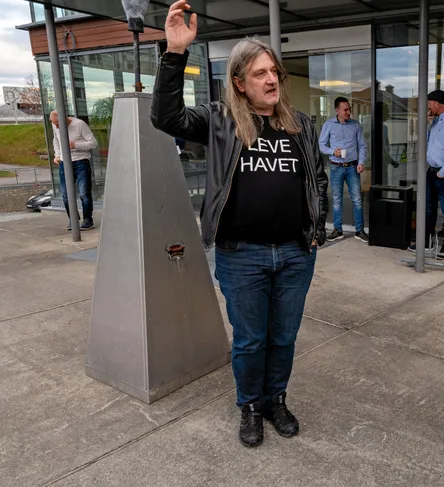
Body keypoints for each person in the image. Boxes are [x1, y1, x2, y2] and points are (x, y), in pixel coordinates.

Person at [152, 1, 328, 449]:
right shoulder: (219, 121)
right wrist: (174, 53)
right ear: (239, 83)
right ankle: (250, 405)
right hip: (241, 254)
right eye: (259, 74)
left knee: (283, 338)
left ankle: (275, 399)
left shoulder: (301, 125)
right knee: (251, 340)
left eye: (274, 72)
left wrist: (316, 227)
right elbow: (165, 117)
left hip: (293, 253)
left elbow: (317, 178)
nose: (271, 80)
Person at [409, 89, 444, 257]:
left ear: (437, 104)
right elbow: (426, 142)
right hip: (431, 172)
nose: (428, 106)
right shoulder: (436, 121)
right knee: (428, 209)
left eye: (429, 103)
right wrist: (426, 124)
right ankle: (426, 242)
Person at [319, 96, 368, 242]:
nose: (348, 112)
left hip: (353, 167)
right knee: (336, 200)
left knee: (357, 200)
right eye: (345, 110)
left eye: (349, 109)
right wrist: (333, 152)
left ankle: (359, 231)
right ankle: (337, 230)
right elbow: (321, 145)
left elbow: (362, 145)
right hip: (336, 167)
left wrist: (361, 162)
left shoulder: (355, 125)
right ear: (337, 110)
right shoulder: (329, 125)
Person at [50, 110, 97, 231]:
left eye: (58, 124)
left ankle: (88, 220)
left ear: (65, 119)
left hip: (81, 161)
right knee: (65, 195)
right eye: (54, 124)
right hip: (64, 163)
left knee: (84, 193)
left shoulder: (79, 124)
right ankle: (73, 219)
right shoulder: (55, 125)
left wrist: (75, 145)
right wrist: (57, 155)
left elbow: (93, 143)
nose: (56, 126)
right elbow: (56, 140)